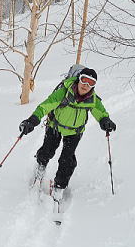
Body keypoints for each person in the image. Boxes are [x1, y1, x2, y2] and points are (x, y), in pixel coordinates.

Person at [18, 67, 116, 201]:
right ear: (78, 79)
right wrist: (32, 120)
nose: (86, 85)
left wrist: (105, 120)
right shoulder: (63, 92)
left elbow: (100, 111)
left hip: (75, 132)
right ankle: (40, 167)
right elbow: (45, 106)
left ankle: (59, 186)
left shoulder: (92, 99)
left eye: (91, 83)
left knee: (67, 160)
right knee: (47, 150)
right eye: (84, 80)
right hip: (55, 127)